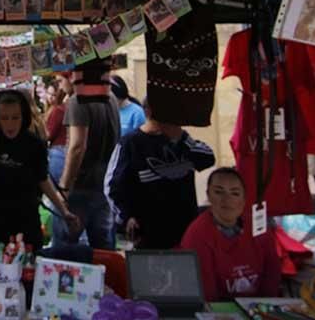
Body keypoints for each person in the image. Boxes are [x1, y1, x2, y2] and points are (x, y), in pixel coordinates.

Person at [0, 90, 80, 256]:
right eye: (4, 118)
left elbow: (43, 179)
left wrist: (64, 211)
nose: (10, 125)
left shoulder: (34, 144)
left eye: (15, 118)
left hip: (26, 218)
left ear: (23, 116)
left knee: (29, 268)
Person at [106, 98, 215, 249]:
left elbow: (208, 158)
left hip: (186, 231)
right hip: (149, 234)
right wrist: (126, 216)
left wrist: (181, 138)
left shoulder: (182, 140)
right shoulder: (131, 143)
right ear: (148, 111)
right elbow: (112, 187)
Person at [180, 167, 282, 300]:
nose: (227, 200)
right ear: (208, 195)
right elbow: (206, 294)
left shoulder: (258, 226)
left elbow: (272, 272)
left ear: (244, 199)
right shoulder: (197, 235)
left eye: (235, 193)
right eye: (218, 192)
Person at [54, 59, 120, 250]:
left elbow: (77, 146)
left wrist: (65, 186)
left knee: (65, 249)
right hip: (103, 184)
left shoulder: (77, 101)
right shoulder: (111, 98)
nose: (60, 84)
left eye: (61, 80)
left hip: (80, 187)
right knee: (103, 249)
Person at [45, 73, 72, 183]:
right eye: (48, 94)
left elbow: (49, 135)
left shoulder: (58, 110)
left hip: (58, 152)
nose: (50, 98)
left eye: (53, 95)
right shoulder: (63, 108)